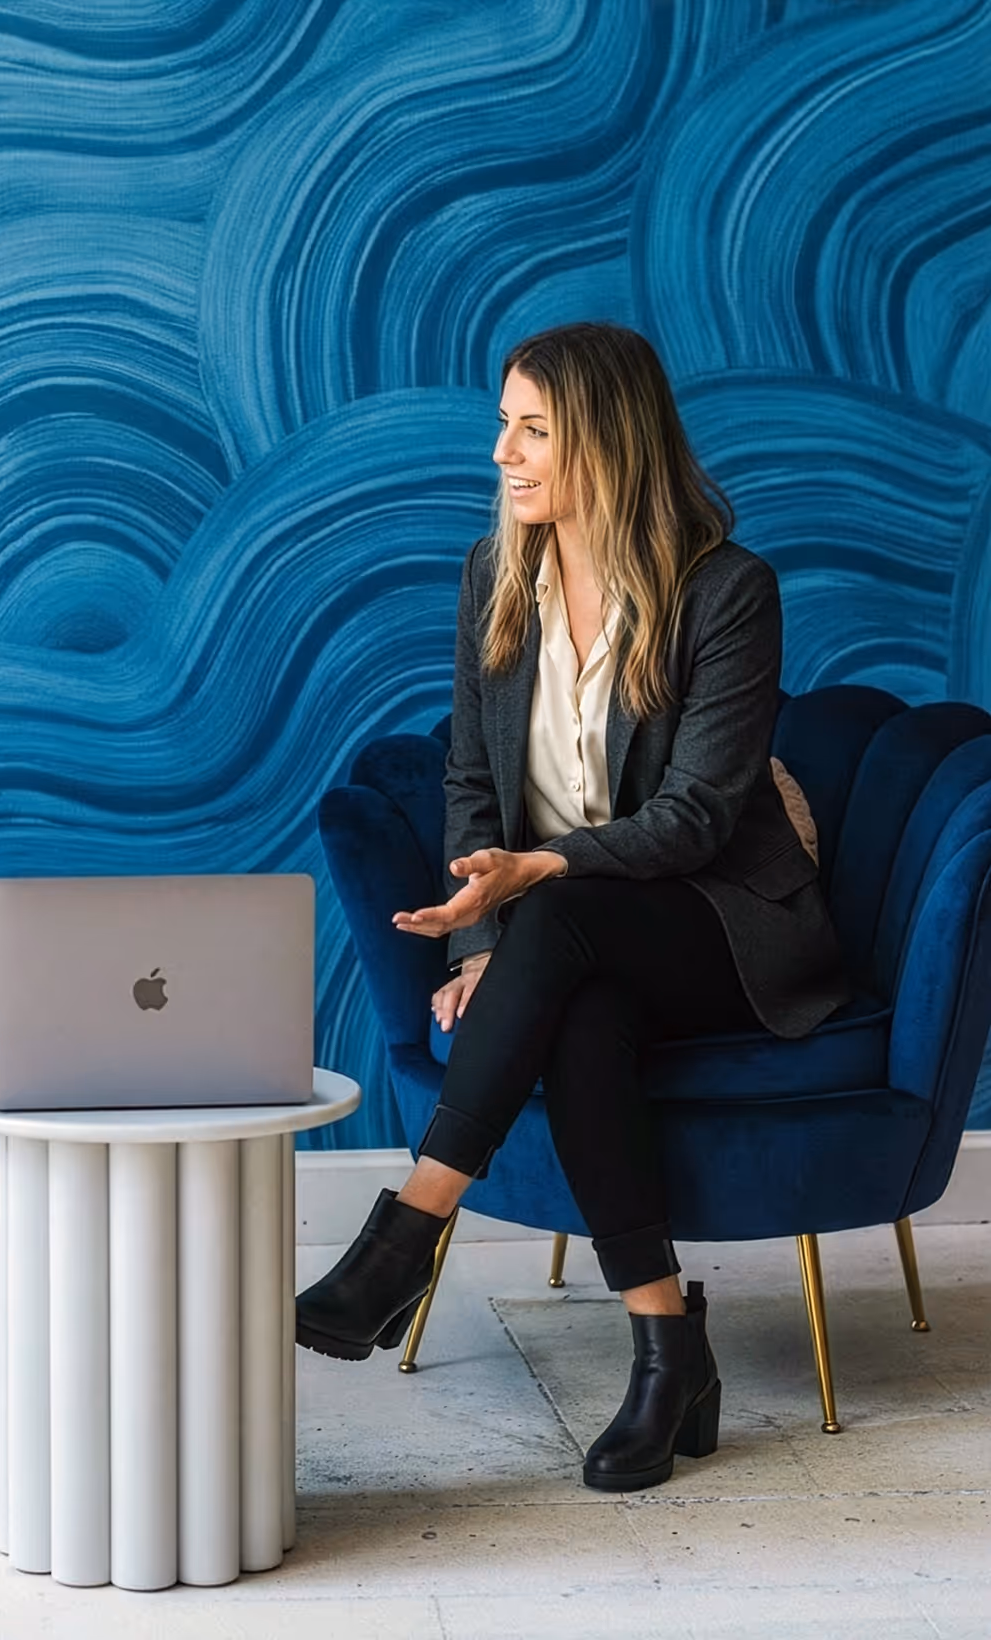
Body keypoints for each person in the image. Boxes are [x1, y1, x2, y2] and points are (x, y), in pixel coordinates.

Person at [296, 323, 849, 1492]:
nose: (502, 450)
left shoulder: (725, 590)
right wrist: (489, 933)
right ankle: (666, 1355)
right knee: (582, 1011)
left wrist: (531, 886)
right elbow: (467, 784)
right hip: (576, 939)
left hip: (720, 920)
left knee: (567, 918)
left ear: (607, 439)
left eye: (531, 428)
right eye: (502, 422)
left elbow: (698, 816)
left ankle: (406, 1231)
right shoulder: (493, 577)